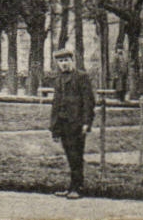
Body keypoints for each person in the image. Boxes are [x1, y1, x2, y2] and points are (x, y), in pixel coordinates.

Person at [48, 46, 94, 199]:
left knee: (76, 155)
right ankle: (71, 187)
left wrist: (87, 122)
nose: (64, 64)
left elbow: (88, 102)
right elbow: (56, 104)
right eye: (60, 61)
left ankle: (77, 187)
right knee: (69, 155)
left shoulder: (81, 77)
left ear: (72, 61)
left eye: (66, 60)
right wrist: (54, 128)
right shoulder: (58, 79)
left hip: (76, 123)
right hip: (62, 123)